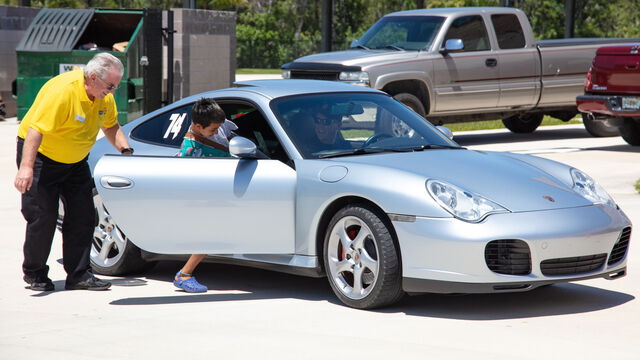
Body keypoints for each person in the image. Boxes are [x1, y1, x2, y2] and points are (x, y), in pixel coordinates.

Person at [14, 53, 134, 292]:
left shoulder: (103, 97)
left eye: (116, 87)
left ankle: (79, 274)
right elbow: (36, 130)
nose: (113, 91)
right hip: (41, 157)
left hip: (76, 161)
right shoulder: (64, 92)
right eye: (110, 86)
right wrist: (26, 167)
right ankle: (35, 273)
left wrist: (126, 150)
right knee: (42, 216)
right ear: (92, 77)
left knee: (83, 216)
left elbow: (110, 125)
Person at [173, 97, 236, 293]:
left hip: (223, 191)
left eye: (219, 127)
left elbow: (230, 135)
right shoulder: (190, 150)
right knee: (209, 236)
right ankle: (184, 275)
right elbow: (184, 182)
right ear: (198, 126)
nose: (217, 132)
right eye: (213, 130)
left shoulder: (217, 124)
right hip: (205, 199)